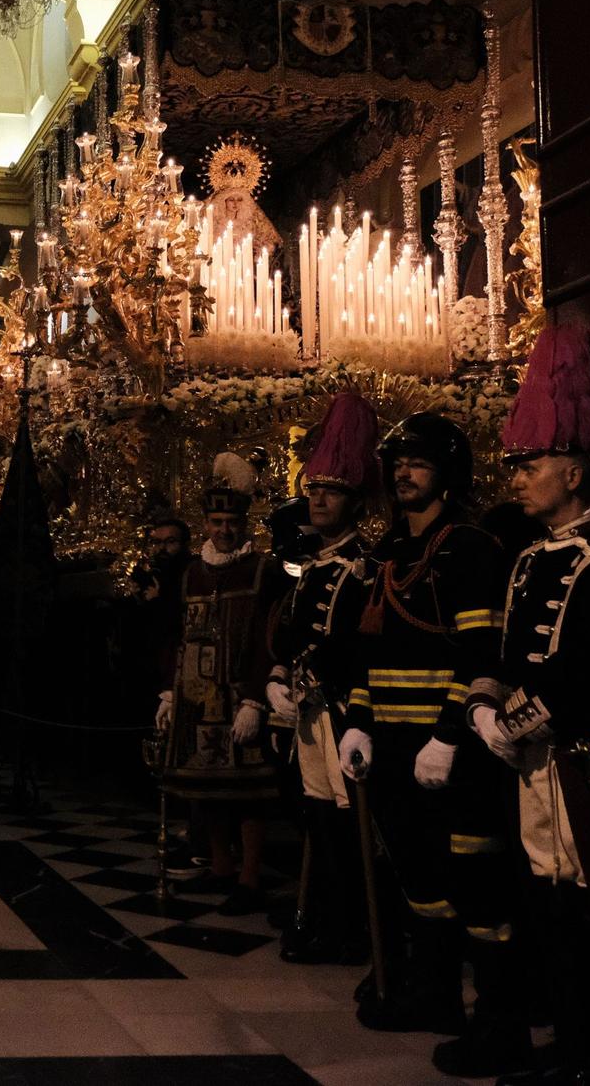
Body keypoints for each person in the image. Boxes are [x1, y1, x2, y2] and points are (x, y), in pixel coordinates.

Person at [464, 323, 590, 1085]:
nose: (516, 474)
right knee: (545, 912)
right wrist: (487, 708)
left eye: (530, 460)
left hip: (587, 765)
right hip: (531, 767)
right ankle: (573, 1049)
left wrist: (512, 723)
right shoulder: (529, 558)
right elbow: (512, 657)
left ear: (574, 471)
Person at [342, 412, 515, 1061]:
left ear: (447, 471)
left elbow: (480, 654)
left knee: (477, 891)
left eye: (419, 462)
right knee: (418, 881)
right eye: (398, 462)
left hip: (452, 754)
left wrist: (447, 735)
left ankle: (499, 1021)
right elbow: (366, 653)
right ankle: (435, 993)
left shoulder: (468, 547)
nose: (404, 473)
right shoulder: (389, 552)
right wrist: (358, 718)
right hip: (390, 747)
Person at [266, 392, 379, 965]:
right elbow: (288, 636)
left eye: (329, 492)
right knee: (315, 815)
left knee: (344, 824)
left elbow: (359, 646)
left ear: (353, 501)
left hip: (340, 709)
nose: (317, 500)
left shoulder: (364, 566)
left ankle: (350, 926)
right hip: (307, 712)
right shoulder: (310, 565)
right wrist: (277, 677)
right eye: (313, 490)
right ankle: (324, 919)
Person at [154, 452, 282, 915]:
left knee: (248, 791)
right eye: (215, 521)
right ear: (204, 522)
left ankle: (249, 877)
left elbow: (270, 639)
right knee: (205, 786)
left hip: (239, 696)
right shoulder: (190, 571)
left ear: (244, 522)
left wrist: (254, 698)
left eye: (231, 521)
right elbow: (174, 633)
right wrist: (168, 691)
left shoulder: (263, 570)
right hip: (197, 696)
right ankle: (221, 866)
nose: (223, 530)